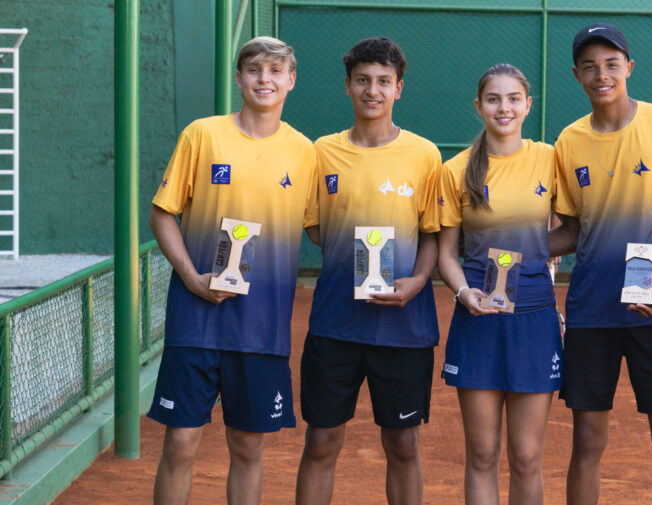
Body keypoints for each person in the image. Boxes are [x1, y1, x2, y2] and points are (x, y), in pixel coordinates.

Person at [146, 36, 316, 505]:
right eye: (255, 70)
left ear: (291, 80)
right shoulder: (203, 135)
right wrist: (190, 276)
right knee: (180, 443)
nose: (265, 80)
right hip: (195, 319)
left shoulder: (306, 152)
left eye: (276, 71)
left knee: (247, 447)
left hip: (260, 328)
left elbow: (322, 231)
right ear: (239, 78)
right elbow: (162, 213)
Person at [547, 22, 652, 505]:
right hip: (592, 312)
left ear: (629, 68)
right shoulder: (567, 143)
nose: (602, 75)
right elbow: (572, 232)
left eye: (612, 64)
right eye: (591, 66)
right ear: (577, 74)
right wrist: (509, 248)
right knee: (586, 442)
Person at [295, 37, 441, 505]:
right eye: (363, 81)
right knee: (320, 441)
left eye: (383, 82)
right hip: (335, 322)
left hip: (402, 327)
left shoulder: (424, 155)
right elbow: (316, 229)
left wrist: (416, 281)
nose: (372, 91)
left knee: (402, 443)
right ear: (347, 87)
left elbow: (434, 233)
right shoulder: (322, 153)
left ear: (399, 88)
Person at [436, 63, 562, 505]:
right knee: (483, 453)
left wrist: (534, 250)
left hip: (535, 320)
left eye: (513, 99)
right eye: (493, 99)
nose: (503, 107)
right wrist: (462, 292)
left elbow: (572, 229)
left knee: (527, 456)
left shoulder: (551, 158)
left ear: (528, 105)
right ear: (478, 106)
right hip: (478, 318)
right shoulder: (455, 171)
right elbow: (446, 253)